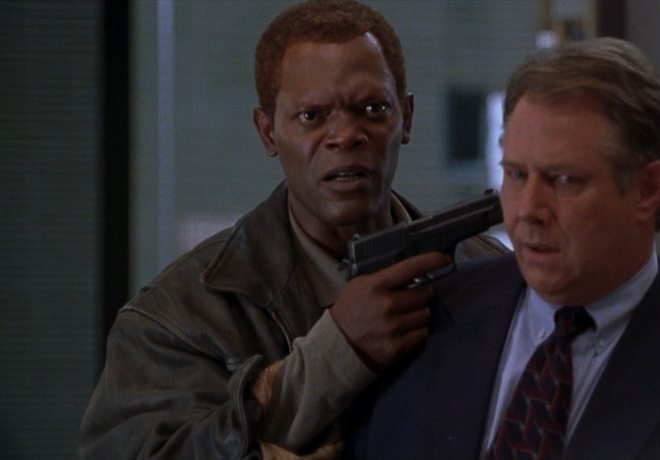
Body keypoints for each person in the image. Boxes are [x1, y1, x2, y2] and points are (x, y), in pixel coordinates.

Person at [343, 37, 660, 459]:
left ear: (648, 189)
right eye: (516, 175)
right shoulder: (418, 318)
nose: (527, 210)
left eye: (564, 180)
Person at [78, 0, 506, 458]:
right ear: (267, 132)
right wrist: (338, 352)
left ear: (407, 117)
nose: (346, 135)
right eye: (311, 116)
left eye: (372, 108)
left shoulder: (488, 276)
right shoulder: (177, 318)